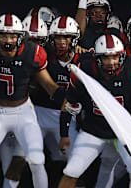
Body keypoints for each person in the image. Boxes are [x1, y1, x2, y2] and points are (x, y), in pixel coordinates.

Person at [0, 14, 66, 188]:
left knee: (37, 160)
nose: (8, 40)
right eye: (4, 35)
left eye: (13, 36)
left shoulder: (32, 53)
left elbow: (49, 85)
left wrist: (67, 99)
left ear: (21, 37)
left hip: (23, 112)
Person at [58, 34, 131, 188]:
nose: (111, 63)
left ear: (122, 56)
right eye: (106, 58)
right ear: (97, 58)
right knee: (72, 171)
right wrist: (64, 133)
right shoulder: (85, 70)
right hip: (93, 130)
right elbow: (69, 103)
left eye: (115, 58)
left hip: (122, 132)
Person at [31, 16, 81, 186]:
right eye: (58, 37)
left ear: (74, 39)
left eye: (66, 37)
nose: (61, 42)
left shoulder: (85, 60)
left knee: (76, 161)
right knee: (29, 156)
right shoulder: (43, 55)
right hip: (40, 111)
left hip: (68, 114)